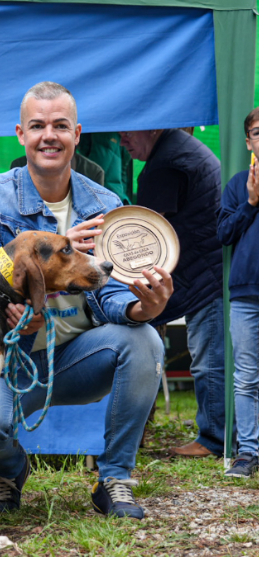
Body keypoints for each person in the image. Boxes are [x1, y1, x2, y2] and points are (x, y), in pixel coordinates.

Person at [0, 81, 174, 519]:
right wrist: (57, 265)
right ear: (20, 134)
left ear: (77, 134)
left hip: (82, 357)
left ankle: (114, 476)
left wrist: (145, 307)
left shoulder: (105, 203)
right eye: (38, 125)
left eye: (60, 126)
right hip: (15, 358)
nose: (50, 136)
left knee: (146, 340)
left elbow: (115, 293)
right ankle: (8, 471)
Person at [119, 126, 226, 459]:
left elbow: (147, 235)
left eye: (127, 134)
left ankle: (214, 439)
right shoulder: (178, 149)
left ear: (151, 127)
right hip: (213, 264)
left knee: (210, 360)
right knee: (214, 356)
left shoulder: (166, 163)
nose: (121, 141)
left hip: (208, 272)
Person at [217, 107, 259, 477]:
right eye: (259, 132)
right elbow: (223, 235)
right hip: (247, 292)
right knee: (247, 374)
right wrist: (250, 202)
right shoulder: (236, 184)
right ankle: (248, 450)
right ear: (249, 141)